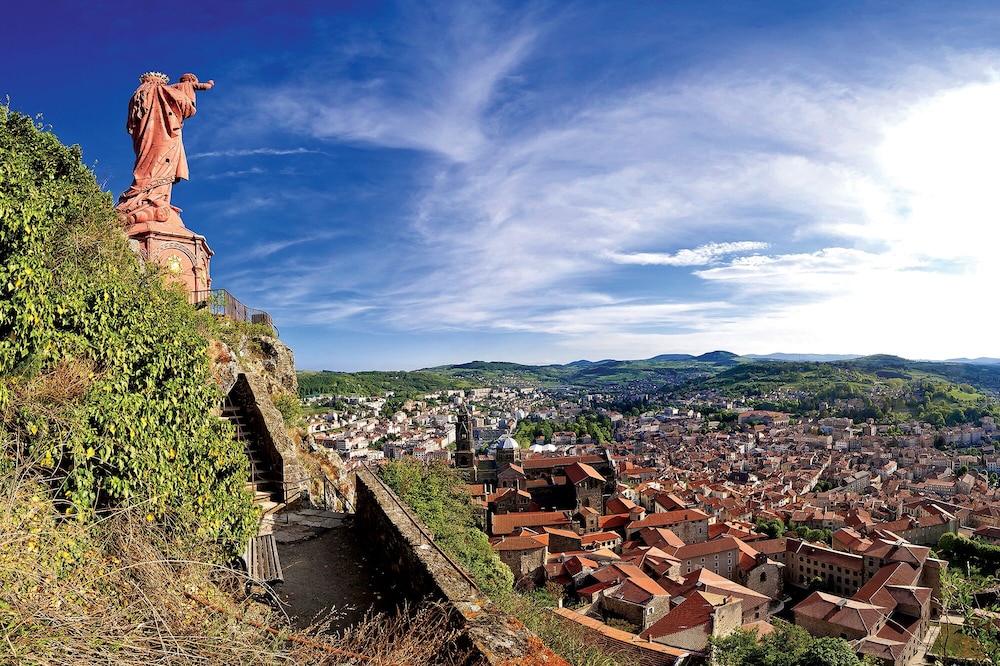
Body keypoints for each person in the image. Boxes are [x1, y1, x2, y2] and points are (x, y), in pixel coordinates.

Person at [116, 72, 214, 225]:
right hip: (165, 138)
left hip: (146, 140)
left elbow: (133, 125)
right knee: (162, 165)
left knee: (147, 165)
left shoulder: (139, 94)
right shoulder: (164, 91)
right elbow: (187, 106)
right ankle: (154, 199)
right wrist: (206, 85)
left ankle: (142, 199)